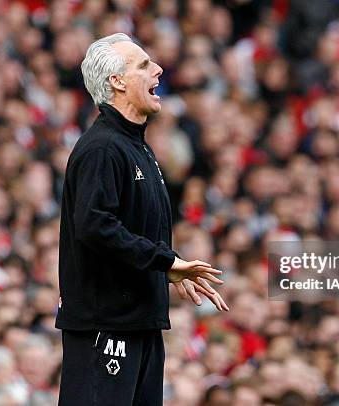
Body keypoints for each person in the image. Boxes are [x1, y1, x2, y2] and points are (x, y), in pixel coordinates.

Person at [55, 33, 229, 406]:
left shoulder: (138, 148)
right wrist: (164, 261)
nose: (158, 69)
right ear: (117, 82)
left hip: (140, 322)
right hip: (106, 326)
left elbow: (132, 228)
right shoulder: (102, 148)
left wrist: (170, 265)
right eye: (144, 65)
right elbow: (94, 225)